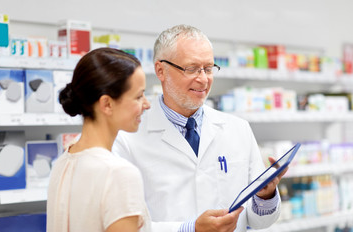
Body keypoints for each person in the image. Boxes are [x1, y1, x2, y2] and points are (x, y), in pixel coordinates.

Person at [112, 25, 284, 232]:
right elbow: (123, 226)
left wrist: (265, 196)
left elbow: (257, 221)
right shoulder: (126, 138)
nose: (203, 79)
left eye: (209, 68)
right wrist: (189, 228)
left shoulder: (238, 129)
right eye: (191, 68)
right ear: (160, 70)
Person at [47, 48, 151, 232]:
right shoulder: (118, 173)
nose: (147, 104)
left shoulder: (63, 162)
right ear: (107, 104)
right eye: (138, 96)